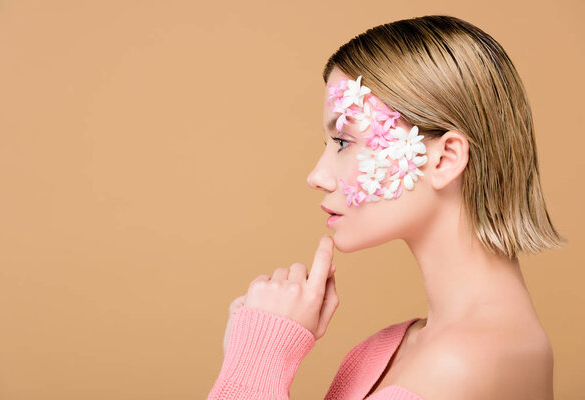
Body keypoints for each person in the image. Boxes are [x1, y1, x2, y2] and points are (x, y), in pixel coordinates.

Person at [208, 15, 566, 400]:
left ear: (445, 159)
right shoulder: (386, 349)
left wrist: (259, 355)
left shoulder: (462, 367)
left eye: (344, 142)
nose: (317, 175)